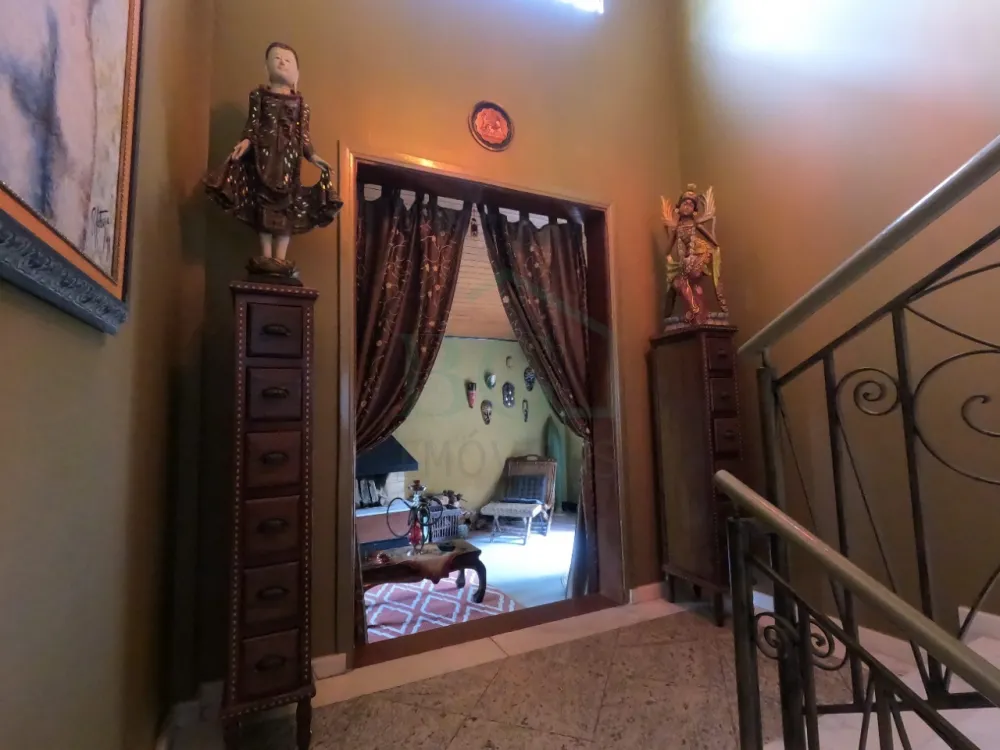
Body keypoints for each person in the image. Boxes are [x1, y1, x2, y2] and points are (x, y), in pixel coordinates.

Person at [204, 42, 342, 277]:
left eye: (288, 60)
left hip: (289, 164)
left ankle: (280, 258)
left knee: (287, 206)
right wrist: (246, 142)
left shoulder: (301, 105)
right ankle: (266, 255)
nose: (282, 62)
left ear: (297, 73)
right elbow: (252, 126)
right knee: (262, 203)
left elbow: (303, 136)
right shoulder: (259, 96)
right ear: (266, 66)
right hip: (264, 159)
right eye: (277, 58)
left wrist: (312, 155)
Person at [661, 185, 728, 328]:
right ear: (678, 208)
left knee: (682, 282)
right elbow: (667, 250)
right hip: (686, 261)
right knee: (685, 283)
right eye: (684, 203)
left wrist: (708, 250)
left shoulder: (696, 224)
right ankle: (697, 311)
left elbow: (714, 242)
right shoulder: (677, 229)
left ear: (695, 211)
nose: (687, 206)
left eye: (691, 205)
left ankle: (695, 310)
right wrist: (670, 260)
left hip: (700, 255)